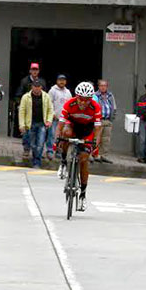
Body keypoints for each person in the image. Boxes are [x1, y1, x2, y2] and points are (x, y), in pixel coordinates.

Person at [56, 82, 102, 211]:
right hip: (72, 125)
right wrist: (57, 138)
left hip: (87, 130)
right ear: (76, 97)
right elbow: (60, 124)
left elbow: (98, 128)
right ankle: (64, 162)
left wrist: (96, 143)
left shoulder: (95, 107)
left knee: (83, 159)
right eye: (80, 99)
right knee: (66, 133)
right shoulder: (69, 104)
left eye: (86, 100)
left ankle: (83, 195)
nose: (83, 102)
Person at [18, 81, 54, 168]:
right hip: (30, 124)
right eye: (35, 86)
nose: (36, 88)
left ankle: (37, 162)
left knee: (40, 143)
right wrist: (22, 125)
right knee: (33, 144)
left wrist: (49, 120)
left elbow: (50, 109)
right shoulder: (26, 97)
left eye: (38, 86)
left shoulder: (46, 97)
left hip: (42, 123)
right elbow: (22, 112)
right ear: (32, 87)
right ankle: (35, 158)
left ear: (41, 87)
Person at [16, 63, 47, 159]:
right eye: (33, 69)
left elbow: (45, 95)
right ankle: (26, 149)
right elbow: (18, 94)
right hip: (27, 109)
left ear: (38, 71)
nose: (34, 71)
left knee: (39, 134)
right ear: (30, 70)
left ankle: (38, 152)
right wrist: (20, 104)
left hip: (39, 111)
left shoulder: (42, 81)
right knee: (26, 131)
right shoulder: (24, 81)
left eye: (36, 69)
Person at [47, 74, 72, 160]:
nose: (62, 81)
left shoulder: (68, 92)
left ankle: (58, 151)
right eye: (60, 80)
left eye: (63, 80)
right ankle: (50, 151)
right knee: (52, 135)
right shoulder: (52, 91)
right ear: (57, 81)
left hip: (64, 120)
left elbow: (70, 105)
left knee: (62, 137)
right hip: (55, 118)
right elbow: (49, 103)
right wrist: (52, 113)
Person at [92, 80, 117, 163]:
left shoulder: (110, 95)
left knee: (106, 140)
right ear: (98, 86)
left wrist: (112, 118)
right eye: (101, 85)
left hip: (108, 120)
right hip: (99, 120)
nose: (103, 87)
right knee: (97, 138)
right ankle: (95, 155)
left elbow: (114, 107)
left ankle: (103, 156)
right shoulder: (95, 95)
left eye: (105, 85)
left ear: (107, 86)